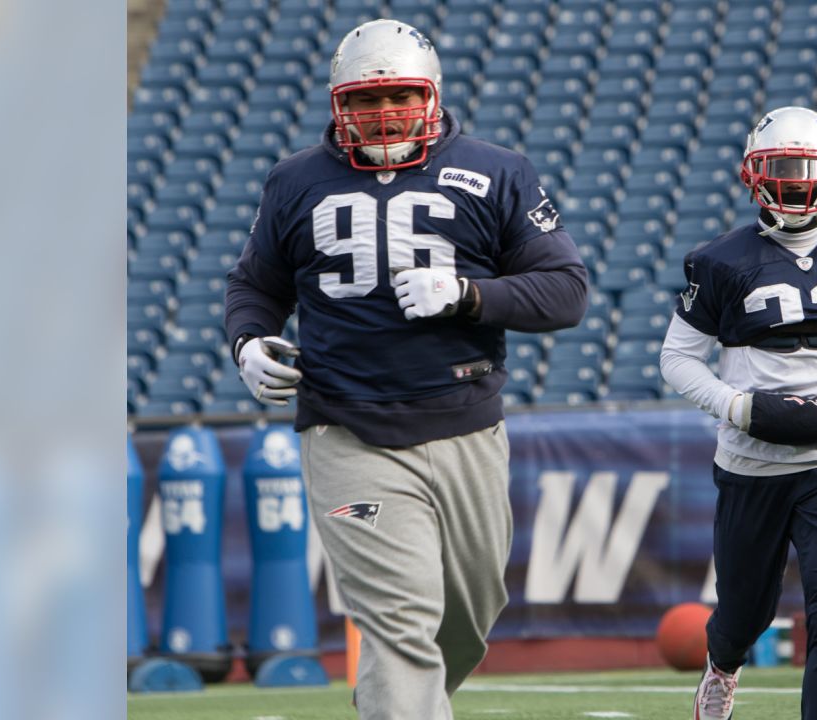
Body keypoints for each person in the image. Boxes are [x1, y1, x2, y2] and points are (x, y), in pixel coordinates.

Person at [223, 19, 588, 719]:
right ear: (339, 105)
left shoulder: (497, 170)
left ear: (432, 96)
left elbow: (565, 291)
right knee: (401, 620)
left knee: (469, 616)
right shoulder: (296, 180)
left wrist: (470, 294)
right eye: (365, 100)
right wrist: (248, 341)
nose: (383, 113)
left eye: (397, 95)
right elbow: (254, 285)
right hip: (346, 429)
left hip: (464, 428)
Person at [659, 106, 817, 719]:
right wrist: (736, 406)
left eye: (806, 168)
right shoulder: (719, 261)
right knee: (745, 611)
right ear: (754, 175)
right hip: (753, 462)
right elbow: (677, 357)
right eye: (782, 168)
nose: (796, 182)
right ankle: (722, 666)